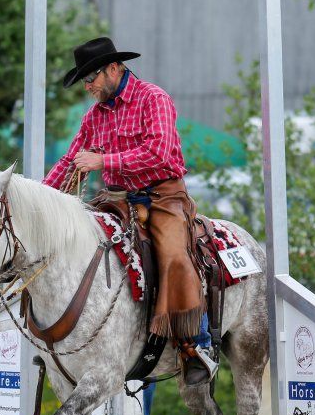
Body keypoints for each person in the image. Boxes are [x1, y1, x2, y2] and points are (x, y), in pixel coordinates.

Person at [42, 37, 217, 386]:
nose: (88, 86)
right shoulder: (94, 117)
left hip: (163, 197)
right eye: (84, 81)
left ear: (114, 68)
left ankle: (196, 344)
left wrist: (104, 160)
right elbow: (71, 161)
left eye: (90, 78)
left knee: (174, 256)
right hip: (117, 199)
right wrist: (39, 200)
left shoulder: (154, 99)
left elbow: (161, 153)